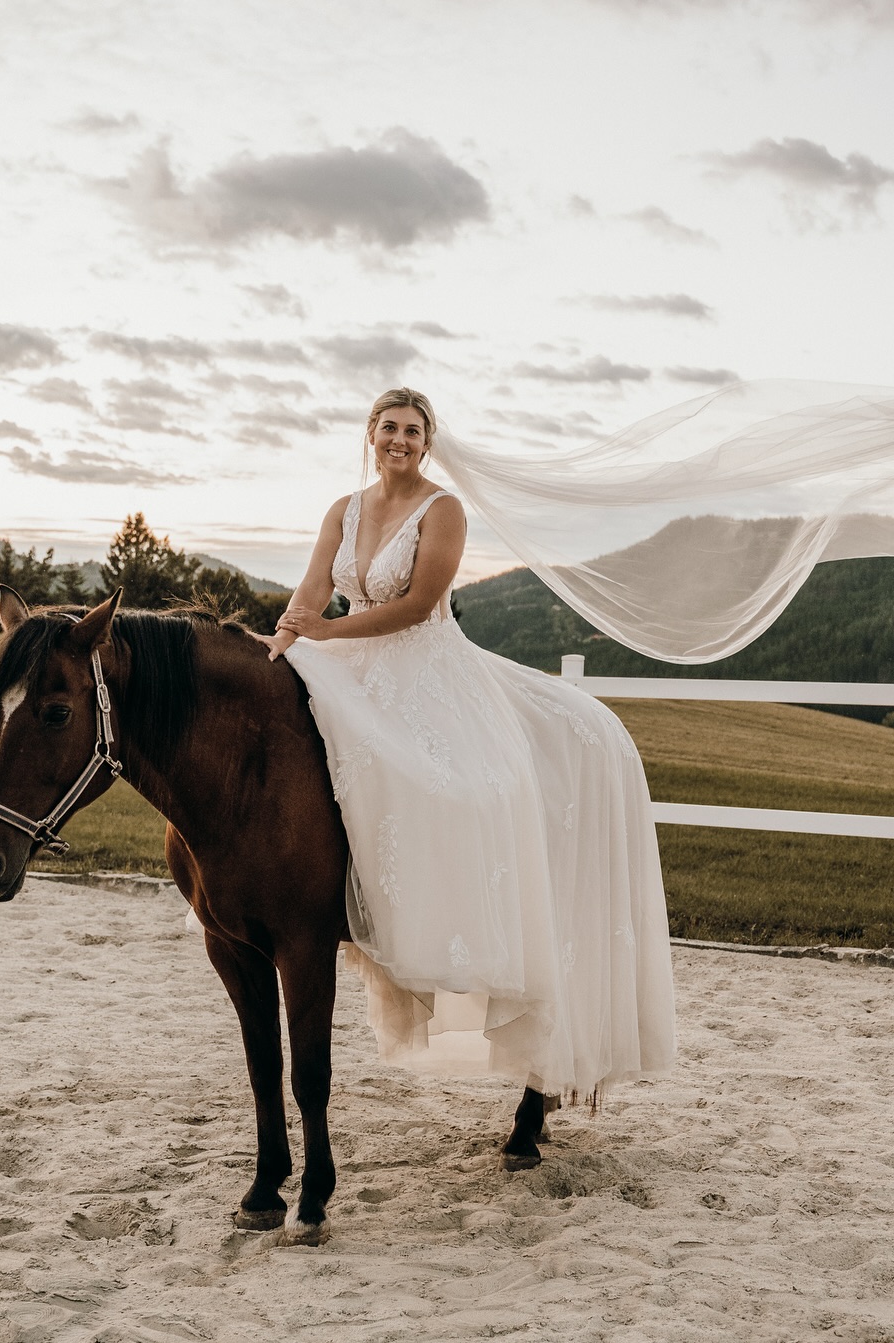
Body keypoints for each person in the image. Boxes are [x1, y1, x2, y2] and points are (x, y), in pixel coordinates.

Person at [259, 387, 676, 1102]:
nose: (400, 440)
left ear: (428, 443)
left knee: (457, 786)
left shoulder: (442, 509)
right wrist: (287, 637)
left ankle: (449, 936)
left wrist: (326, 632)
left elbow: (417, 605)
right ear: (370, 434)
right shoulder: (343, 509)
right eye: (389, 427)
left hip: (425, 662)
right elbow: (309, 595)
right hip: (348, 657)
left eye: (413, 431)